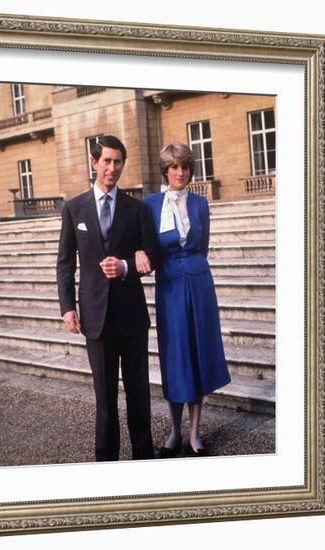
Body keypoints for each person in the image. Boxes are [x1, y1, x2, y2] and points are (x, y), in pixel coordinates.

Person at [56, 135, 156, 461]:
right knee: (105, 400)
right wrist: (68, 307)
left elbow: (152, 254)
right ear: (94, 162)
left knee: (139, 394)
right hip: (95, 320)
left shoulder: (137, 209)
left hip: (131, 316)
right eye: (107, 161)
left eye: (118, 162)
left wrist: (128, 264)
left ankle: (144, 459)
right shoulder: (74, 209)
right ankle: (106, 466)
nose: (112, 168)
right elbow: (65, 263)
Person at [137, 142, 231, 458]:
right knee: (176, 356)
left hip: (200, 283)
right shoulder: (149, 205)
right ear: (165, 170)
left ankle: (194, 434)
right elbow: (147, 246)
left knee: (198, 353)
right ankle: (174, 431)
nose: (181, 172)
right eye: (175, 167)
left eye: (186, 167)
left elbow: (202, 245)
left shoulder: (201, 203)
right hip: (170, 288)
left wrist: (192, 267)